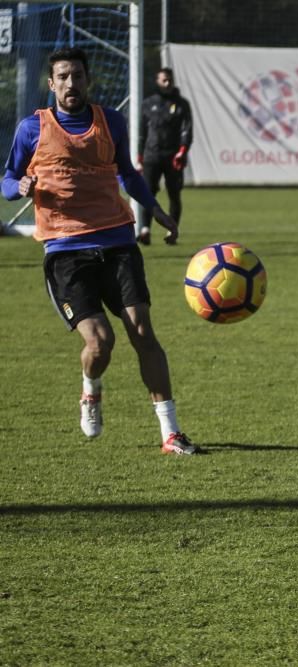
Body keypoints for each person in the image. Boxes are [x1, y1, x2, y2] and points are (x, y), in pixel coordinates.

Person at [1, 48, 198, 455]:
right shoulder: (32, 128)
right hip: (66, 251)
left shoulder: (111, 121)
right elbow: (6, 178)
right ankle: (91, 390)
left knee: (143, 331)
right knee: (100, 342)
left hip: (118, 241)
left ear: (88, 80)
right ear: (51, 84)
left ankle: (171, 433)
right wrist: (17, 188)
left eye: (77, 75)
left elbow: (128, 172)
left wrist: (156, 210)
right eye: (63, 77)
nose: (71, 83)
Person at [136, 67, 193, 245]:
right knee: (147, 193)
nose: (167, 83)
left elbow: (187, 129)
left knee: (174, 194)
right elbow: (141, 131)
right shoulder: (148, 104)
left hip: (173, 155)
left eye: (169, 80)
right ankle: (145, 229)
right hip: (151, 155)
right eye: (163, 80)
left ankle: (172, 230)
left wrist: (182, 151)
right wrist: (139, 155)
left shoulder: (182, 104)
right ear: (157, 81)